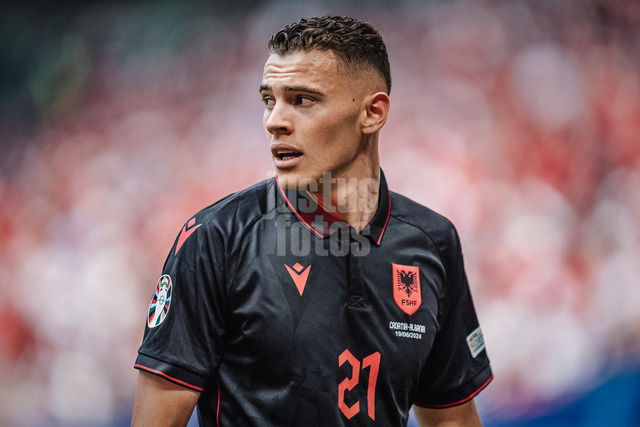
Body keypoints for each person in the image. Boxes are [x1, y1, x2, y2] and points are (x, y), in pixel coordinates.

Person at [132, 15, 492, 426]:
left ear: (372, 113)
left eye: (302, 100)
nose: (275, 121)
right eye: (269, 100)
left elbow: (451, 419)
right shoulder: (216, 238)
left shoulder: (433, 241)